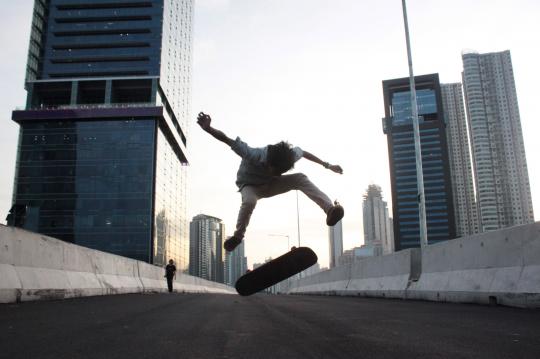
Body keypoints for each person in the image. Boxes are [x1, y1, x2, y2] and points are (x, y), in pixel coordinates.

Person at [197, 112, 344, 252]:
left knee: (300, 178)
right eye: (273, 170)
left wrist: (328, 165)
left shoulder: (290, 156)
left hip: (271, 184)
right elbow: (226, 139)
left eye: (280, 172)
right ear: (267, 162)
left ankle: (329, 209)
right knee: (249, 201)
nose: (276, 172)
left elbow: (304, 153)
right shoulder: (252, 154)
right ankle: (238, 236)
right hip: (249, 186)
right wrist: (209, 129)